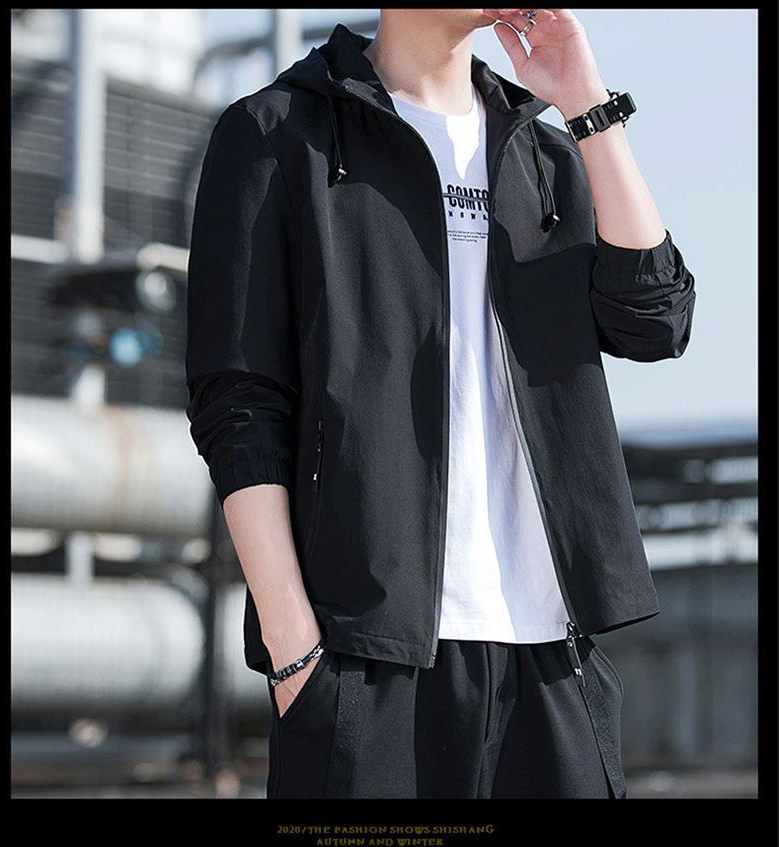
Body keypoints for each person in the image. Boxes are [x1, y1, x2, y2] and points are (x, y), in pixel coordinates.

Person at [184, 9, 696, 799]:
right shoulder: (278, 132)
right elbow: (238, 402)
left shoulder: (545, 154)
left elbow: (657, 319)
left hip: (550, 658)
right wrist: (295, 652)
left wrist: (586, 103)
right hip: (365, 660)